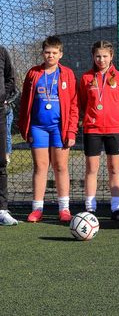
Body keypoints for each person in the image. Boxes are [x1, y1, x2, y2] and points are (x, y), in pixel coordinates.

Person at [19, 36, 78, 223]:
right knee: (40, 167)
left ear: (61, 54)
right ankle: (37, 209)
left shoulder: (67, 74)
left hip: (59, 128)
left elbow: (74, 104)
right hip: (38, 127)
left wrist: (71, 131)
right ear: (42, 53)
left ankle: (64, 209)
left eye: (54, 52)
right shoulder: (33, 73)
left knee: (61, 166)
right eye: (47, 52)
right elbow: (24, 102)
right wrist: (25, 128)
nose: (50, 55)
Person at [79, 41, 119, 221]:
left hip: (113, 129)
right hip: (92, 128)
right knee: (92, 168)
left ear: (111, 56)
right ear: (93, 57)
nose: (101, 60)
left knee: (114, 168)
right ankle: (90, 208)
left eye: (105, 56)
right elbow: (83, 102)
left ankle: (116, 208)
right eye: (98, 56)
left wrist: (114, 117)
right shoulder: (86, 78)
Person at [0, 46, 17, 226]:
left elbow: (10, 79)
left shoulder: (2, 52)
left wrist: (2, 96)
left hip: (0, 113)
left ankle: (2, 210)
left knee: (1, 162)